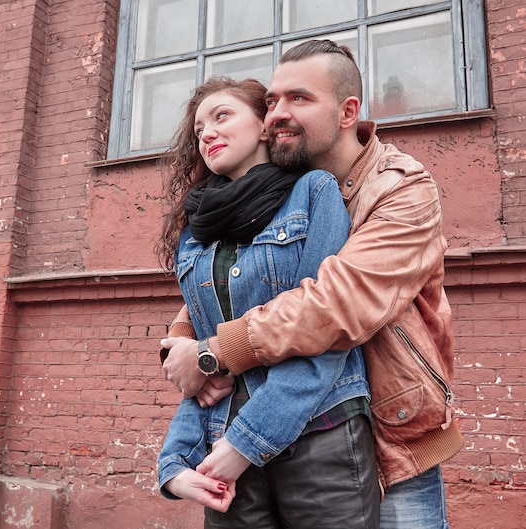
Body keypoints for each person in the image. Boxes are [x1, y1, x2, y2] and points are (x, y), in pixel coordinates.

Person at [161, 40, 465, 529]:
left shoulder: (401, 188)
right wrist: (182, 343)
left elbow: (335, 304)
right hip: (291, 430)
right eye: (273, 100)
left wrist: (212, 352)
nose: (277, 114)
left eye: (298, 99)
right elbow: (230, 286)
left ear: (347, 112)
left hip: (393, 438)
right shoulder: (280, 190)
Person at [156, 76, 379, 528]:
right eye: (199, 130)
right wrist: (175, 464)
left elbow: (326, 329)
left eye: (222, 116)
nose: (207, 134)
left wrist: (247, 442)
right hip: (223, 448)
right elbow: (202, 365)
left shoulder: (313, 192)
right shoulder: (194, 233)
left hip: (321, 431)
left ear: (263, 126)